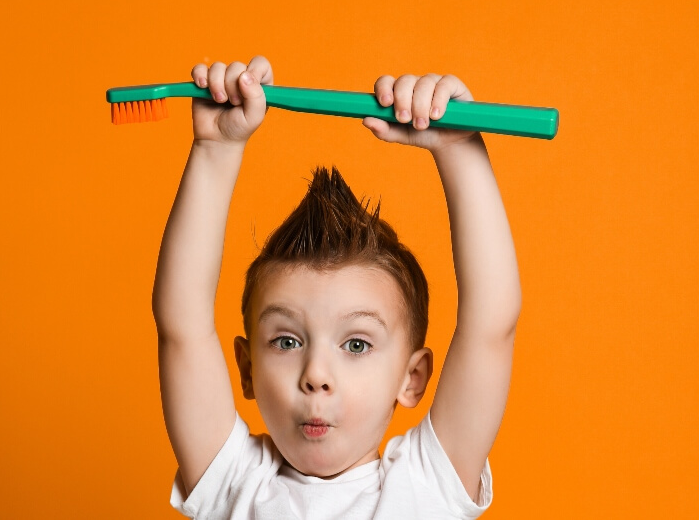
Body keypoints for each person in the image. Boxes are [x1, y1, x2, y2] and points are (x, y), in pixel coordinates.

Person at [154, 55, 521, 519]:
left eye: (356, 344)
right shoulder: (233, 483)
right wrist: (215, 149)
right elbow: (182, 326)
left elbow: (490, 327)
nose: (317, 374)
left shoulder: (426, 486)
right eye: (286, 340)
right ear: (247, 368)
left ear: (412, 378)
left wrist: (459, 150)